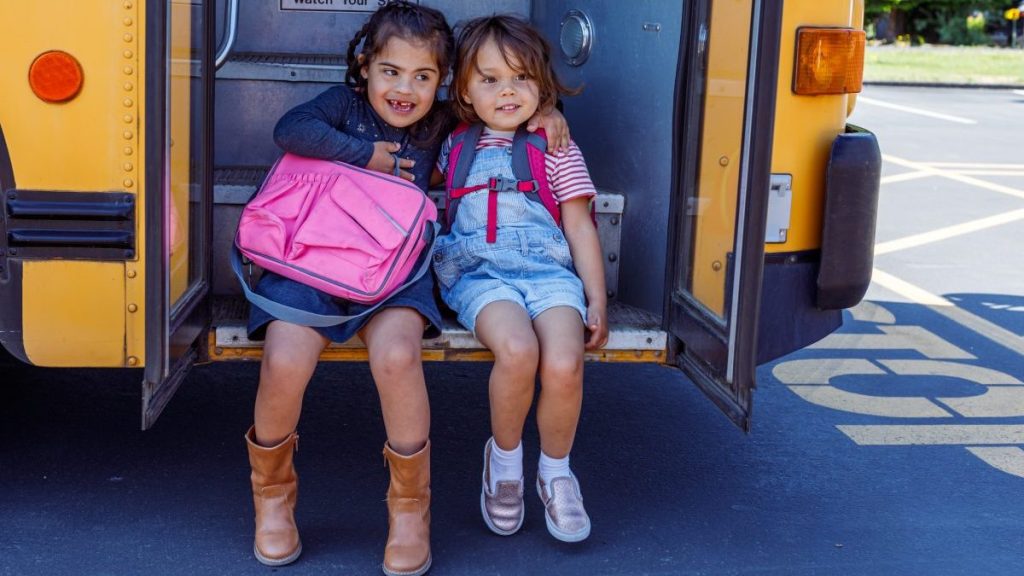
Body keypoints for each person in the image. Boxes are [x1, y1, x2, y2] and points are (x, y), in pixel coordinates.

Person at [241, 3, 569, 575]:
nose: (404, 89)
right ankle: (272, 496)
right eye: (391, 71)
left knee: (397, 355)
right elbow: (289, 129)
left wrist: (549, 111)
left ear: (441, 83)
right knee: (284, 359)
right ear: (365, 65)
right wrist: (363, 153)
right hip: (312, 262)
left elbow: (497, 108)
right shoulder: (342, 107)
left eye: (423, 77)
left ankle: (410, 508)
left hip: (394, 275)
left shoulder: (439, 123)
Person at [432, 15, 608, 544]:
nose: (507, 91)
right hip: (478, 272)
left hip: (548, 273)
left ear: (542, 85)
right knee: (517, 350)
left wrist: (595, 298)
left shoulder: (556, 148)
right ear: (463, 88)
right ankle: (504, 463)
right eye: (489, 79)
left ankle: (556, 473)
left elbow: (578, 224)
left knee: (563, 360)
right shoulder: (452, 145)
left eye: (521, 78)